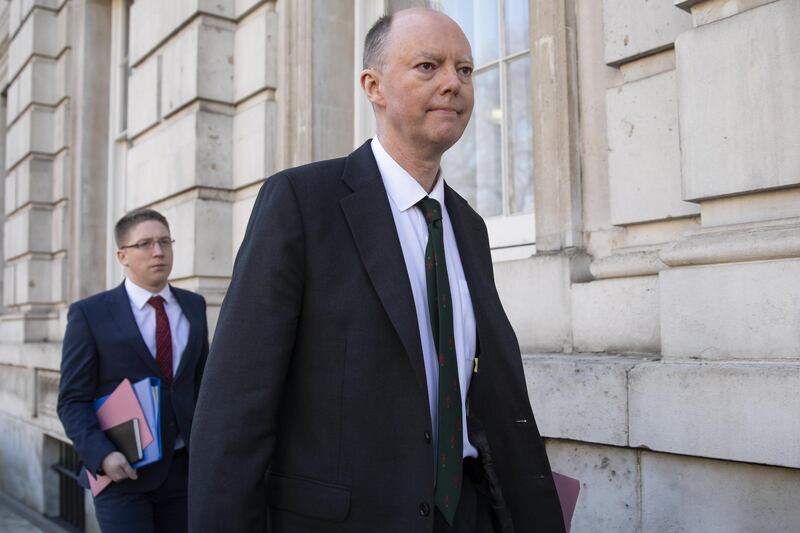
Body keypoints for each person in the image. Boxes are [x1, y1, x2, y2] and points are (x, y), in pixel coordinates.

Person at [189, 7, 564, 533]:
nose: (452, 84)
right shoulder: (301, 202)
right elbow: (236, 406)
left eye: (464, 69)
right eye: (428, 67)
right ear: (374, 86)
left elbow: (491, 397)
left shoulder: (469, 227)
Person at [57, 208, 209, 532]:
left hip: (185, 473)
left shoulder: (194, 307)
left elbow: (202, 386)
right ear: (121, 255)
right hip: (122, 473)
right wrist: (102, 456)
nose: (158, 251)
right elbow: (72, 400)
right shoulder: (89, 314)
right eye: (145, 244)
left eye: (165, 241)